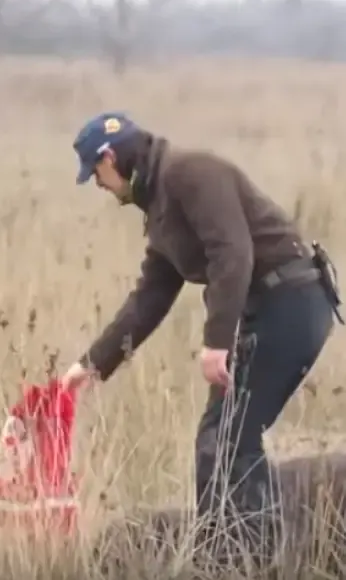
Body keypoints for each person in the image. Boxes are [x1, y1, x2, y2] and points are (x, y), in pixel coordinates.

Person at [60, 112, 341, 564]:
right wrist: (91, 366)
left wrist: (217, 341)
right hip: (270, 311)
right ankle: (221, 552)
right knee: (219, 435)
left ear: (110, 157)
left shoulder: (190, 173)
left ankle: (253, 555)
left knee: (231, 435)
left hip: (293, 304)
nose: (98, 185)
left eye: (95, 174)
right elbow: (149, 300)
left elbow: (233, 252)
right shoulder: (162, 212)